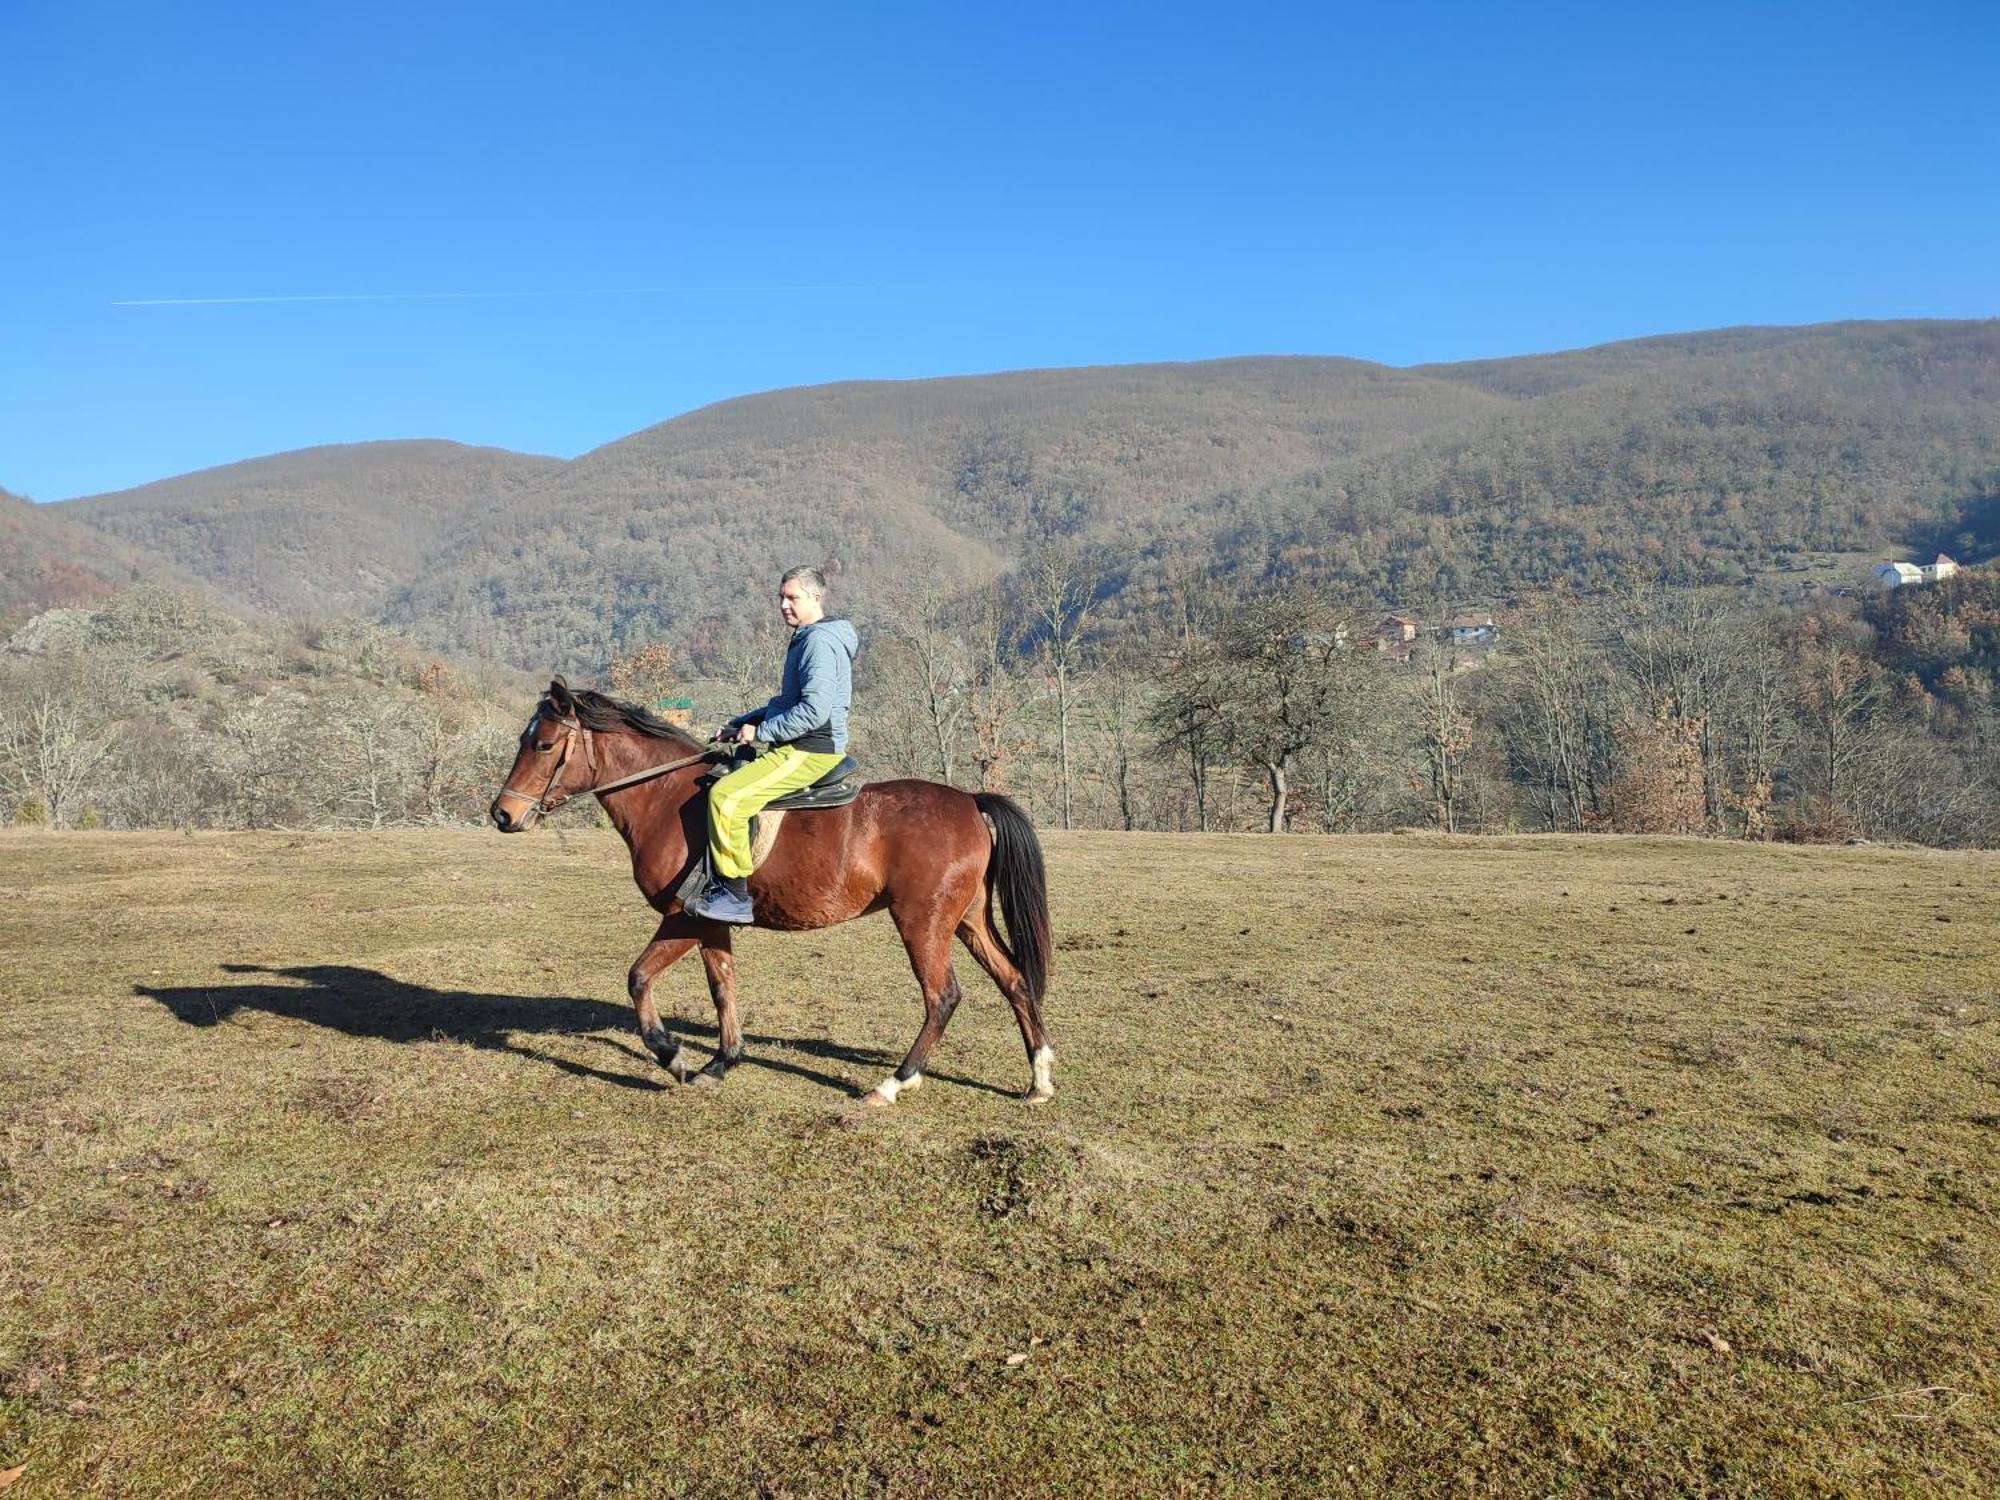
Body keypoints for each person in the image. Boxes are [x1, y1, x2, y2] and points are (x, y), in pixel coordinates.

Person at [691, 566, 858, 923]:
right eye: (781, 597)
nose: (784, 604)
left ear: (816, 597)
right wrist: (743, 723)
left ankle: (733, 895)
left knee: (726, 797)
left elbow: (814, 711)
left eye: (792, 597)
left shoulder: (818, 642)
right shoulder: (807, 636)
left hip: (810, 749)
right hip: (799, 743)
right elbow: (787, 702)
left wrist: (761, 734)